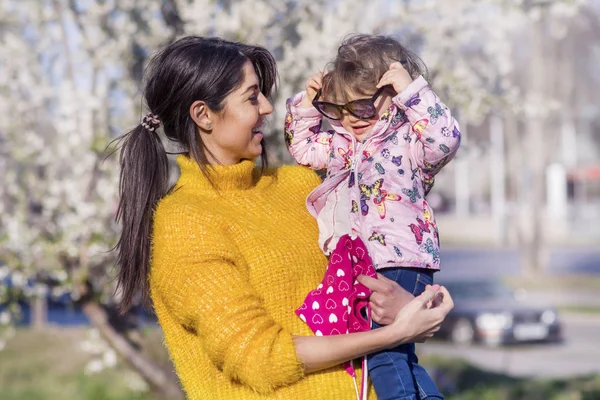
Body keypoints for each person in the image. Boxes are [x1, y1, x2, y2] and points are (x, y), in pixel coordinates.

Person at [114, 35, 453, 400]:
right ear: (203, 115)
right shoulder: (186, 223)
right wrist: (394, 334)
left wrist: (408, 306)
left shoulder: (300, 187)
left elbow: (368, 272)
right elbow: (262, 358)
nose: (268, 108)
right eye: (251, 96)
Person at [285, 34, 461, 400]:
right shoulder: (343, 145)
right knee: (399, 352)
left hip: (402, 258)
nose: (351, 118)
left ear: (391, 96)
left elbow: (445, 139)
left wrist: (412, 91)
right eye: (339, 108)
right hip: (363, 262)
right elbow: (301, 147)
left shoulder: (409, 141)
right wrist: (307, 103)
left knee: (380, 351)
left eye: (364, 107)